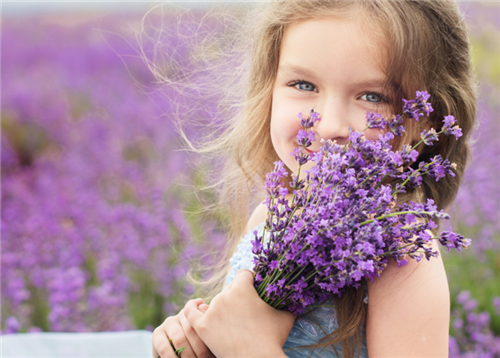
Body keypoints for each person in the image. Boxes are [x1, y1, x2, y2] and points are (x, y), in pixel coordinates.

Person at [152, 0, 477, 357]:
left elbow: (245, 342)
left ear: (424, 125)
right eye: (304, 84)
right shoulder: (268, 218)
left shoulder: (403, 260)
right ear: (269, 89)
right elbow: (233, 331)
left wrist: (250, 348)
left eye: (372, 96)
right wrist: (195, 343)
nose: (330, 126)